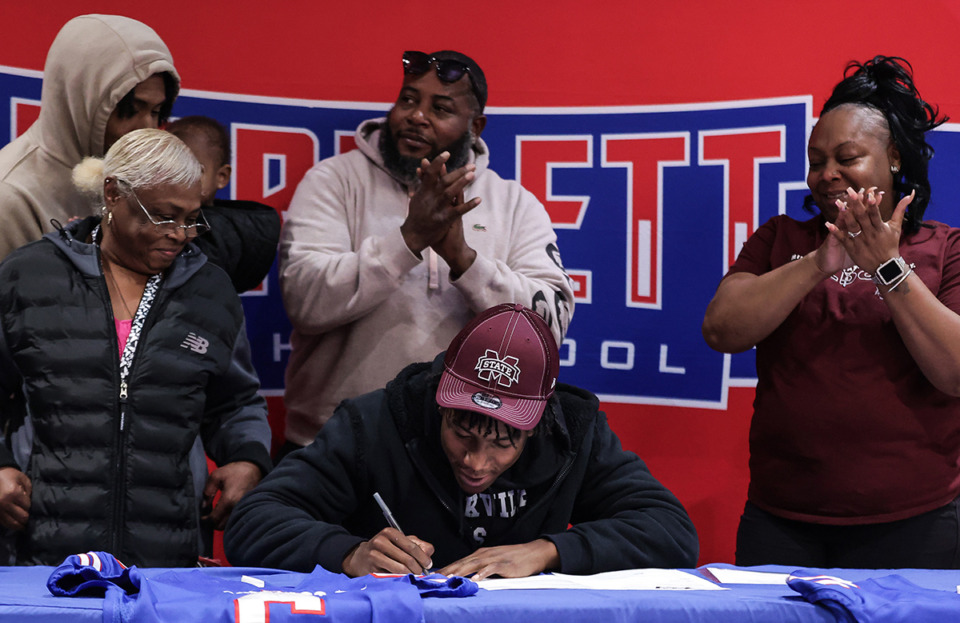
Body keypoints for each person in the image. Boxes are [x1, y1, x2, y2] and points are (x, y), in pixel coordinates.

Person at [701, 56, 959, 568]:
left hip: (919, 520)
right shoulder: (782, 238)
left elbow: (954, 372)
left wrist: (887, 267)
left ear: (894, 159)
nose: (827, 174)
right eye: (817, 161)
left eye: (847, 157)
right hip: (783, 522)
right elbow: (721, 329)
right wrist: (820, 262)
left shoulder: (944, 249)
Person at [224, 303, 697, 578]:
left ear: (536, 424)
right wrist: (349, 553)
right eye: (462, 433)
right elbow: (254, 522)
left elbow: (671, 532)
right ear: (440, 401)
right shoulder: (378, 420)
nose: (476, 461)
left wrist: (547, 551)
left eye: (503, 444)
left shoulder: (573, 430)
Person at [278, 50, 574, 454]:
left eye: (441, 108)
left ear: (476, 127)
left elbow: (547, 331)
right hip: (330, 446)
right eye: (408, 99)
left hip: (460, 457)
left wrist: (465, 262)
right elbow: (305, 301)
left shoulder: (514, 204)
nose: (416, 116)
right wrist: (409, 240)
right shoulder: (333, 181)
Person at [0, 128, 271, 566]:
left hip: (169, 559)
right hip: (44, 556)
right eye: (164, 215)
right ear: (113, 194)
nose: (181, 233)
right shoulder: (28, 275)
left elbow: (236, 401)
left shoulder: (210, 291)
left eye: (192, 217)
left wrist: (247, 459)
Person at [0, 14, 179, 262]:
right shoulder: (10, 197)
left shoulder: (131, 180)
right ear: (80, 101)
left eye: (156, 112)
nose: (145, 130)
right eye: (131, 111)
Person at [167, 115, 281, 293]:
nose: (176, 179)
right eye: (165, 168)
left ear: (221, 177)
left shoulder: (217, 238)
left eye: (191, 169)